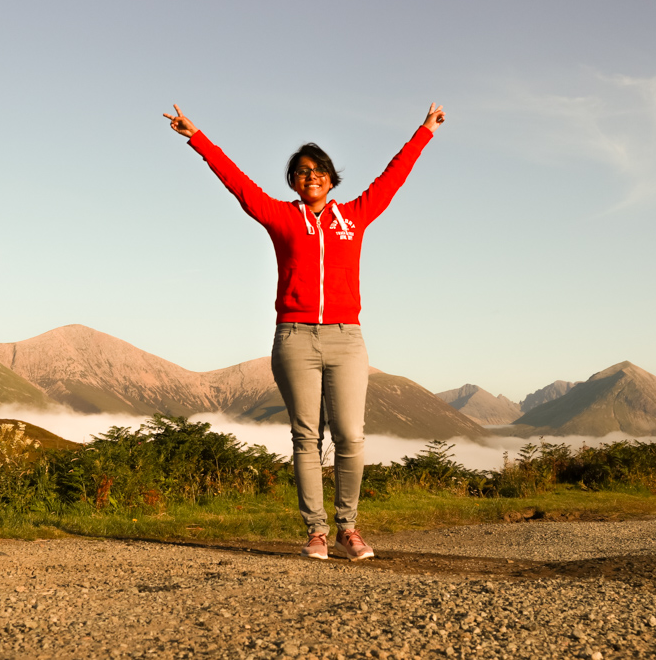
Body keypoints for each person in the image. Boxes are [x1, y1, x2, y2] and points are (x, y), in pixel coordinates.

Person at [163, 103, 445, 560]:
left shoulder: (355, 215)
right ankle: (316, 531)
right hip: (294, 336)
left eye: (318, 170)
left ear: (332, 179)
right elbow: (237, 181)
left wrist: (425, 131)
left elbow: (394, 176)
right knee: (306, 436)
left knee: (351, 436)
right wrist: (197, 138)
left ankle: (348, 528)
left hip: (346, 338)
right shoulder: (281, 217)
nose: (309, 176)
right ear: (292, 181)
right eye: (300, 171)